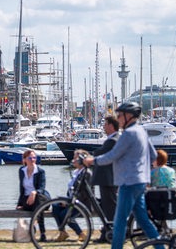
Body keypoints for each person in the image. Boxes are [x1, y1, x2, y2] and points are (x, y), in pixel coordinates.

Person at [83, 102, 160, 249]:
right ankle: (160, 246)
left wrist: (93, 160)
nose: (118, 119)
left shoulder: (128, 134)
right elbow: (154, 155)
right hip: (140, 181)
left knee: (119, 223)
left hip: (128, 182)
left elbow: (112, 155)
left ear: (128, 116)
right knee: (143, 220)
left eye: (119, 116)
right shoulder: (142, 131)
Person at [91, 116, 119, 243]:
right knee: (108, 207)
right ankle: (106, 233)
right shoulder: (113, 139)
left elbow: (100, 153)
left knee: (109, 208)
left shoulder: (112, 140)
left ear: (111, 126)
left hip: (108, 179)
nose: (103, 126)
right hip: (109, 179)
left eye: (105, 124)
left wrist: (88, 157)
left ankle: (110, 233)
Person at [52, 149, 91, 242]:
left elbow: (84, 194)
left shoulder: (86, 173)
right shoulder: (76, 173)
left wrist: (69, 203)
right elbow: (71, 190)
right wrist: (67, 201)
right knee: (55, 206)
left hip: (81, 203)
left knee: (64, 215)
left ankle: (81, 234)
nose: (73, 160)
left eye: (75, 158)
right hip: (72, 201)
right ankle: (62, 232)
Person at [17, 149, 50, 242]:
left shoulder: (40, 171)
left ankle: (42, 233)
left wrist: (34, 192)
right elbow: (22, 189)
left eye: (34, 157)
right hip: (27, 199)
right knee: (36, 207)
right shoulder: (21, 171)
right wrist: (19, 203)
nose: (32, 159)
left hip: (40, 198)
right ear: (24, 160)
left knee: (38, 204)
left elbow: (42, 188)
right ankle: (34, 228)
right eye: (30, 158)